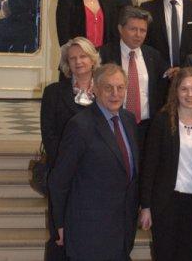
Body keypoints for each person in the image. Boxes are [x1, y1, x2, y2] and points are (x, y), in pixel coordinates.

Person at [48, 64, 140, 260]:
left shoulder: (129, 120)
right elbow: (59, 180)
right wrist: (60, 224)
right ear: (95, 90)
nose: (115, 94)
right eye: (108, 88)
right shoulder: (80, 126)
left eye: (120, 87)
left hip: (123, 228)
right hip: (88, 231)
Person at [140, 67, 192, 260]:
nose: (190, 94)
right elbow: (149, 166)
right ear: (175, 91)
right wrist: (146, 206)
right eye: (184, 89)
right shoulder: (162, 121)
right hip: (166, 203)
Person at [41, 37, 99, 261]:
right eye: (72, 58)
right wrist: (68, 166)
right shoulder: (53, 92)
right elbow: (50, 136)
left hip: (95, 178)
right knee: (60, 237)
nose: (78, 62)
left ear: (93, 59)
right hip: (64, 177)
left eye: (83, 56)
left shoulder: (106, 91)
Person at [99, 6, 168, 149]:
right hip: (115, 123)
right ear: (120, 29)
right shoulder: (105, 54)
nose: (138, 35)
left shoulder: (153, 56)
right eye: (133, 29)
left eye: (143, 30)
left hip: (147, 127)